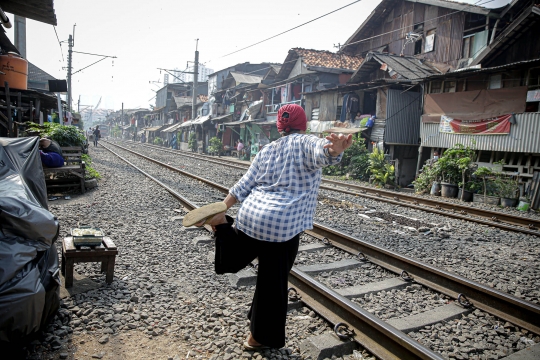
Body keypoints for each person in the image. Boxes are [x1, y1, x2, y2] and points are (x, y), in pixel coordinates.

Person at [182, 104, 353, 350]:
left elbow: (244, 183)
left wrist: (224, 205)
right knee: (273, 283)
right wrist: (334, 151)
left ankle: (221, 226)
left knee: (234, 258)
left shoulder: (267, 150)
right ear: (303, 124)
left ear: (280, 126)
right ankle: (259, 338)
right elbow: (322, 152)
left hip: (251, 216)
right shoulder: (306, 142)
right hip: (282, 227)